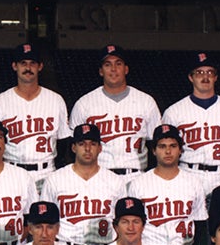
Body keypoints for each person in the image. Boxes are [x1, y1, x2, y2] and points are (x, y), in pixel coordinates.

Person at [68, 44, 160, 186]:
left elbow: (158, 144)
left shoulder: (146, 101)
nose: (113, 69)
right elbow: (73, 147)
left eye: (118, 63)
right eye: (107, 64)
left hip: (136, 176)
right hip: (98, 177)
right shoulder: (84, 103)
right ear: (100, 71)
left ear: (126, 69)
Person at [161, 52, 220, 199]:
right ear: (191, 77)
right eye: (199, 72)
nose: (205, 77)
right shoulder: (174, 111)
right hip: (187, 173)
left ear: (215, 77)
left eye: (209, 72)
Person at [126, 123, 208, 245]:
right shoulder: (138, 184)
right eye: (162, 146)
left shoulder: (194, 182)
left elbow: (200, 223)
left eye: (173, 146)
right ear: (154, 151)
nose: (168, 151)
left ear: (180, 149)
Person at [0, 42, 70, 189]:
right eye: (23, 63)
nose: (28, 68)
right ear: (15, 66)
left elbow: (64, 142)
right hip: (11, 173)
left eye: (33, 63)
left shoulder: (56, 100)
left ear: (40, 67)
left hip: (46, 174)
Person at [41, 123, 125, 245]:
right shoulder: (55, 179)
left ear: (100, 148)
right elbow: (44, 223)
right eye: (82, 144)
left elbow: (123, 226)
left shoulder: (115, 181)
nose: (87, 148)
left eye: (92, 144)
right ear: (73, 147)